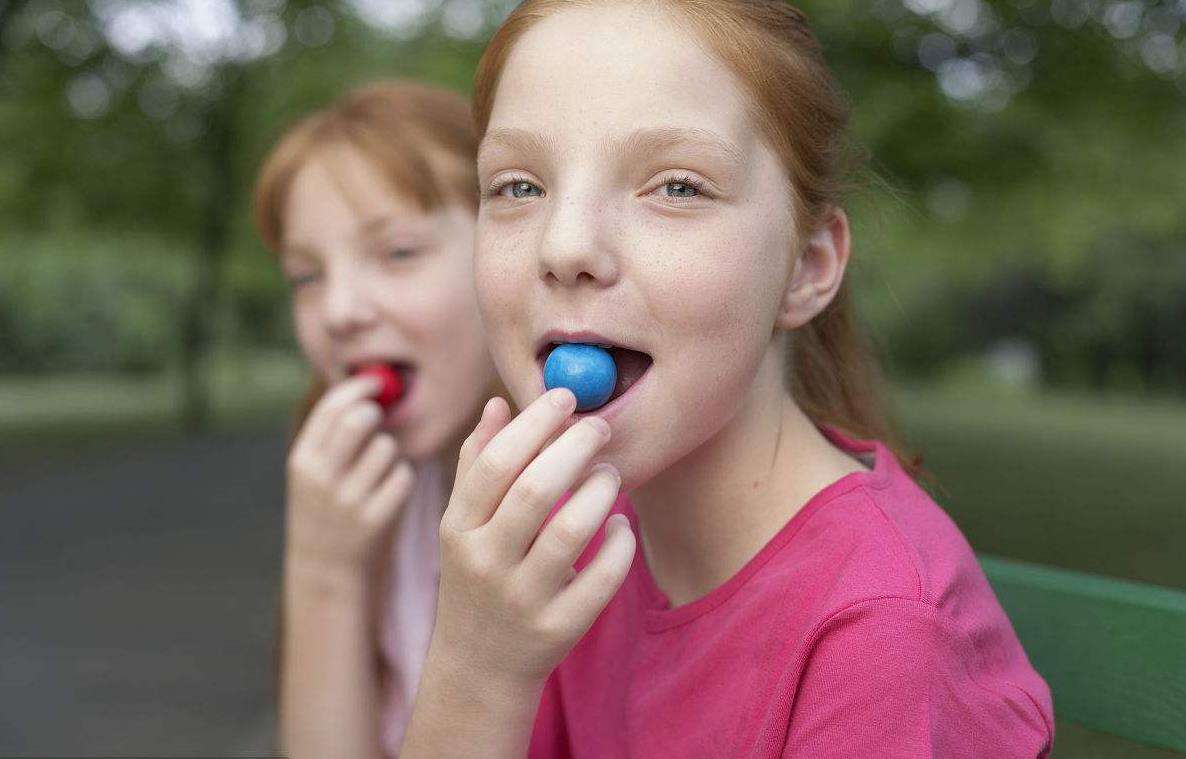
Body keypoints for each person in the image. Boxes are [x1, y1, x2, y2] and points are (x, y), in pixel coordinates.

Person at [399, 2, 1055, 757]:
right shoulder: (565, 554)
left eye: (676, 186)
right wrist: (475, 667)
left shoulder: (882, 638)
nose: (566, 242)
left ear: (806, 268)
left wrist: (475, 675)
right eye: (517, 186)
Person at [251, 81, 500, 758]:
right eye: (307, 277)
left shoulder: (611, 511)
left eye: (397, 253)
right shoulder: (389, 508)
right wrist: (324, 568)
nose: (339, 311)